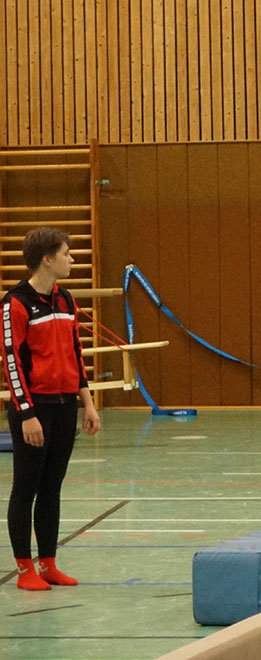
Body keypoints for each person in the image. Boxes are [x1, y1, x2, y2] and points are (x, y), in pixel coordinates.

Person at [4, 228, 101, 591]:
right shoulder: (15, 304)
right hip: (34, 408)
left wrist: (87, 402)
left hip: (64, 406)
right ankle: (24, 569)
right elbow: (11, 363)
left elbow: (76, 353)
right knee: (26, 488)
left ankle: (48, 564)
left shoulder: (65, 299)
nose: (71, 259)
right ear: (47, 259)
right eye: (66, 253)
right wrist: (27, 414)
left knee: (52, 488)